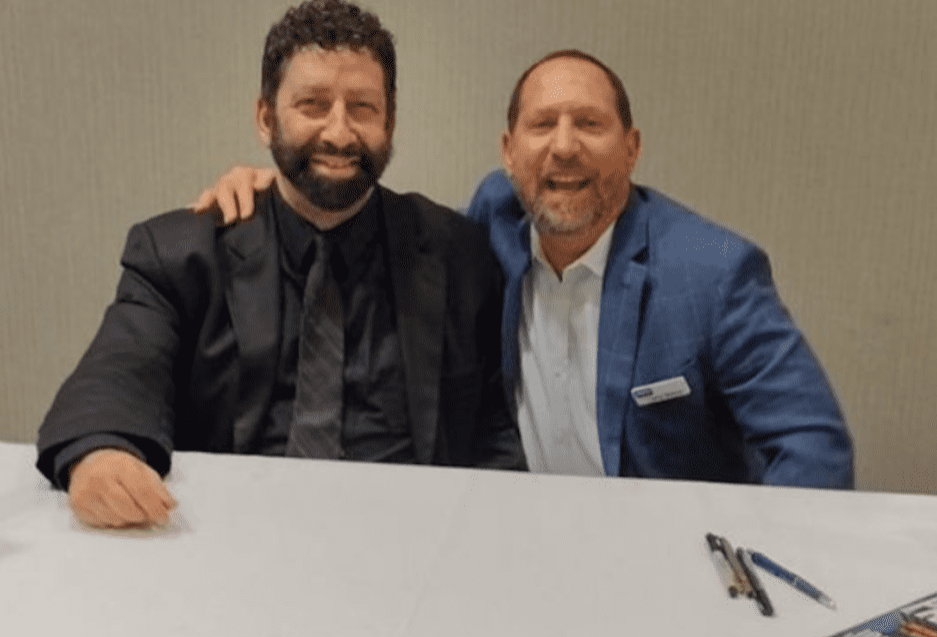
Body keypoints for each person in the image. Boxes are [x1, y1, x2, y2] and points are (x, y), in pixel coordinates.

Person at [194, 50, 854, 488]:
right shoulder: (486, 225)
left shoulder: (712, 271)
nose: (563, 146)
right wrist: (281, 191)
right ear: (509, 154)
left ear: (630, 149)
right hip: (512, 535)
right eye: (542, 125)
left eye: (589, 124)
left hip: (666, 556)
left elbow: (813, 445)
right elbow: (369, 227)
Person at [36, 0, 524, 530]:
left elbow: (492, 426)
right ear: (266, 118)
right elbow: (122, 366)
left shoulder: (458, 252)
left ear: (390, 120)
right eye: (313, 105)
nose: (339, 133)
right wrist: (102, 451)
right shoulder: (183, 252)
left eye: (362, 107)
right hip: (229, 531)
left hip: (411, 534)